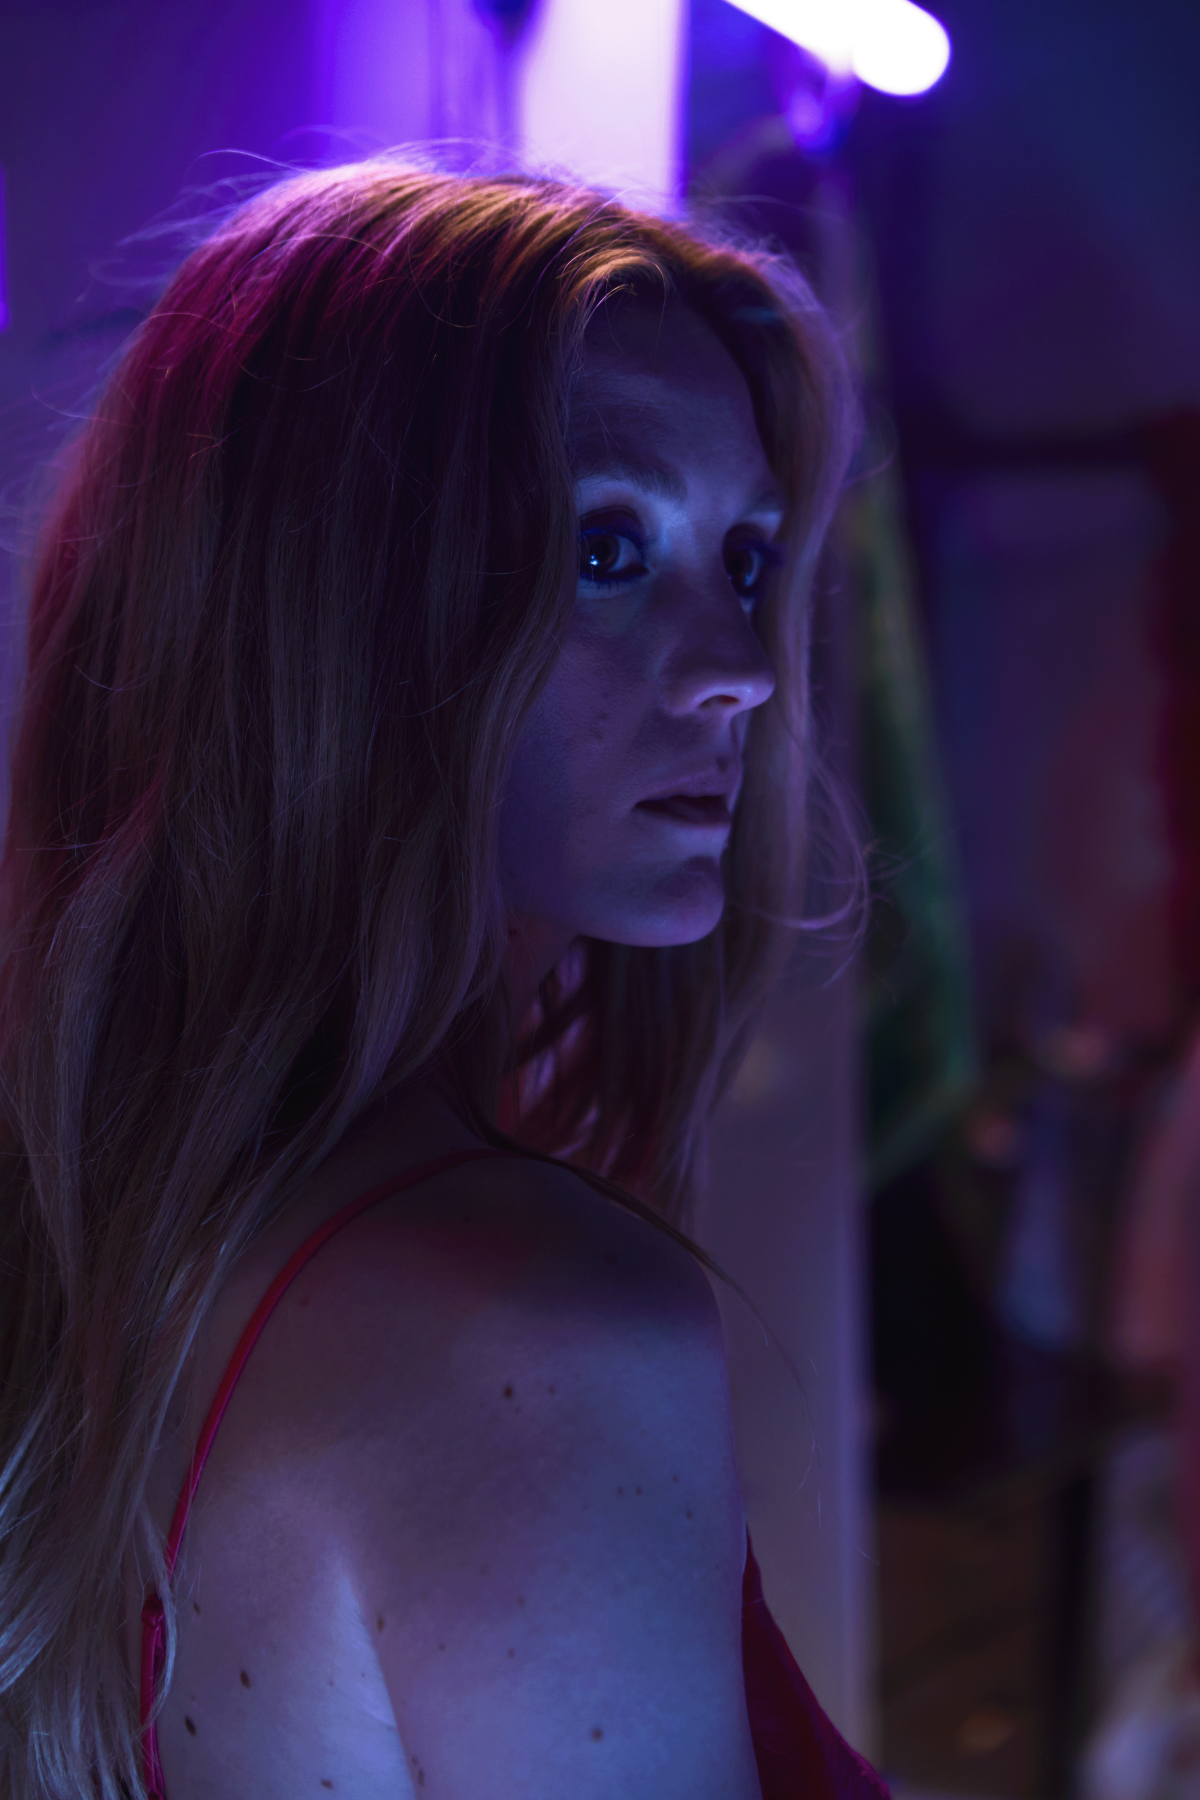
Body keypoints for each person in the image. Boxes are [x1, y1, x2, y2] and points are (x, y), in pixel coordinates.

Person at [0, 161, 878, 1799]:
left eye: (749, 560)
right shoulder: (542, 1333)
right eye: (609, 548)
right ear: (332, 601)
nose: (743, 670)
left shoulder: (124, 1268)